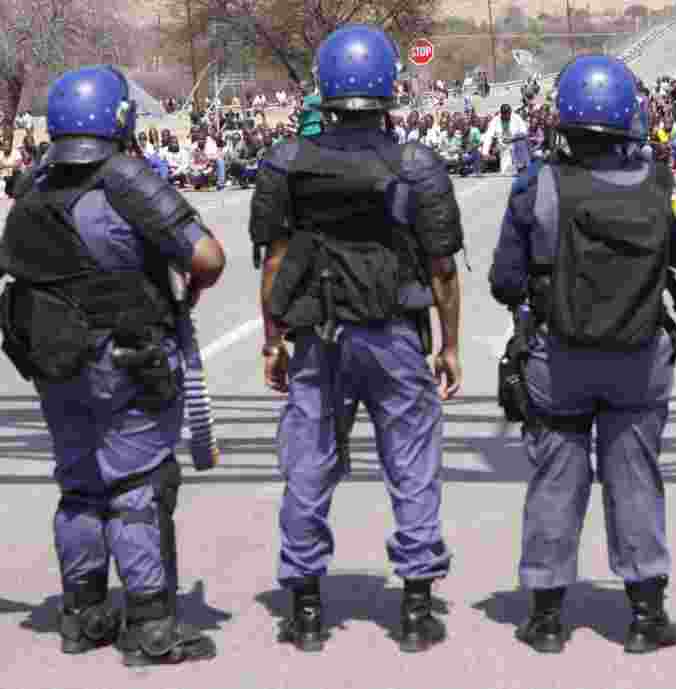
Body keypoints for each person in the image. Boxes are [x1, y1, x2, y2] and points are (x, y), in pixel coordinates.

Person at [249, 24, 464, 654]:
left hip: (319, 336)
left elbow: (273, 262)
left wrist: (273, 340)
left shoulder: (288, 162)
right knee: (413, 466)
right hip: (396, 337)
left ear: (324, 86)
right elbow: (442, 269)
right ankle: (418, 609)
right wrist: (448, 346)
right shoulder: (415, 164)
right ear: (389, 87)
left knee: (309, 466)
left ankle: (307, 608)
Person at [0, 65, 226, 665]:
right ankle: (150, 625)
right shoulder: (123, 178)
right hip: (124, 360)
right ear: (119, 118)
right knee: (136, 487)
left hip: (53, 361)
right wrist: (186, 287)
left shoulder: (32, 186)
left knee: (79, 487)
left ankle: (84, 615)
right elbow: (207, 255)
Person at [488, 54, 676, 655]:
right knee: (634, 478)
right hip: (638, 357)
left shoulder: (537, 183)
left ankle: (547, 617)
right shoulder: (659, 182)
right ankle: (645, 615)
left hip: (557, 359)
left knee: (556, 480)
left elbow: (505, 281)